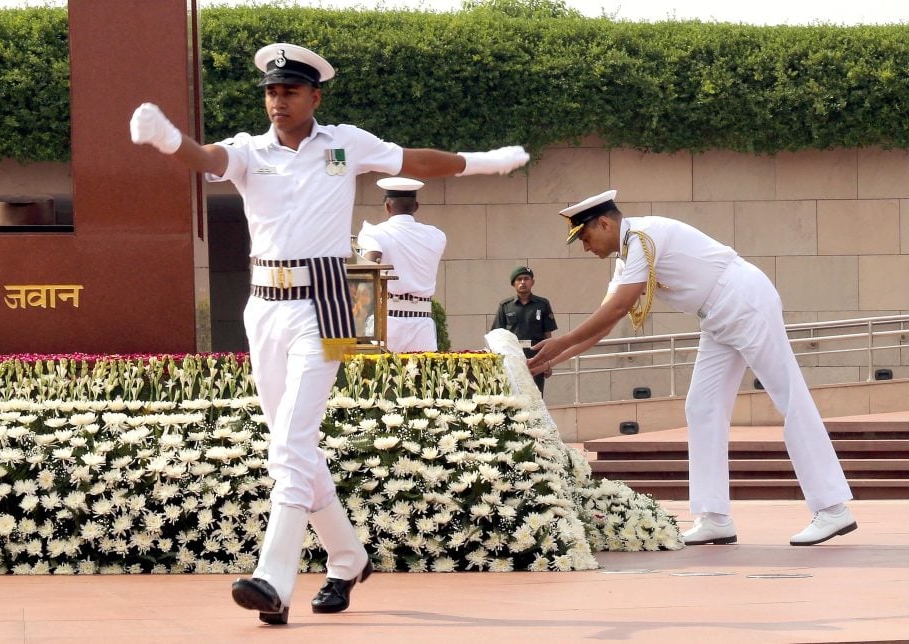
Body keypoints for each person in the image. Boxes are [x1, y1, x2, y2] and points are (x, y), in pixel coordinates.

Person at [129, 43, 528, 625]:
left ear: (315, 96)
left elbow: (415, 160)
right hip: (264, 307)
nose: (278, 101)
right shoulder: (248, 151)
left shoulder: (344, 143)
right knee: (291, 444)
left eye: (290, 91)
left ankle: (273, 577)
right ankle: (346, 556)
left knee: (292, 440)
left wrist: (485, 161)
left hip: (327, 305)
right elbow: (205, 157)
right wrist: (170, 141)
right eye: (271, 91)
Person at [526, 190, 856, 547]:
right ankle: (714, 516)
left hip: (744, 299)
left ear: (605, 223)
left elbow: (620, 307)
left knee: (789, 396)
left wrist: (560, 342)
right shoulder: (625, 257)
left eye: (586, 238)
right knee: (702, 406)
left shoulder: (642, 238)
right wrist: (551, 359)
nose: (586, 248)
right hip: (716, 315)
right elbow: (605, 324)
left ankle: (832, 508)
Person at [356, 177, 446, 353]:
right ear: (416, 206)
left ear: (387, 207)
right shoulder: (437, 235)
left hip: (389, 321)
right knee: (423, 379)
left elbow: (370, 263)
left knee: (383, 379)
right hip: (422, 321)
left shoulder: (374, 232)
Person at [491, 266, 557, 395]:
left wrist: (548, 362)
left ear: (532, 282)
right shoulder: (505, 306)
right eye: (519, 279)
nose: (523, 282)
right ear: (513, 284)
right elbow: (497, 335)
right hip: (512, 357)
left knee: (536, 395)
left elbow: (548, 335)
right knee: (513, 394)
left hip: (536, 357)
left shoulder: (542, 304)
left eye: (526, 279)